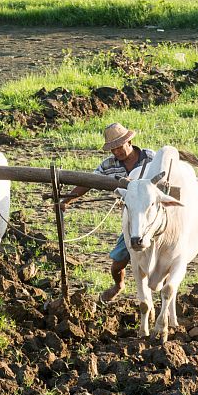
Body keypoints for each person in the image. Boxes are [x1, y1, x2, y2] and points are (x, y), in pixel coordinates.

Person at [59, 122, 154, 302]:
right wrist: (67, 200)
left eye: (119, 147)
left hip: (154, 218)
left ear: (129, 141)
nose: (117, 152)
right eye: (113, 149)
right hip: (132, 221)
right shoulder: (109, 165)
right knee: (117, 265)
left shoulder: (149, 157)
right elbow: (90, 181)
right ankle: (119, 285)